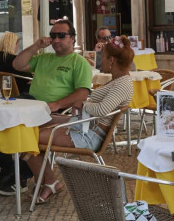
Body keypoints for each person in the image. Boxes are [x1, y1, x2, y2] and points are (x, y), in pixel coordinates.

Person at [25, 35, 135, 203]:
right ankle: (48, 181)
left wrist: (83, 104)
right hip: (86, 125)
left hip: (90, 135)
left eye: (102, 57)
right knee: (34, 123)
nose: (100, 61)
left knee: (27, 138)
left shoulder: (123, 84)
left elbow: (102, 110)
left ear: (111, 60)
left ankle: (49, 182)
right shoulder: (118, 80)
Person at [0, 19, 92, 195]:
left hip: (56, 113)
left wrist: (56, 104)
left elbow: (82, 94)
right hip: (32, 106)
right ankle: (14, 173)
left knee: (18, 129)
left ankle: (22, 177)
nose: (56, 40)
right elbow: (17, 65)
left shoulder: (79, 62)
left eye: (61, 36)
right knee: (2, 122)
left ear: (73, 39)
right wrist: (35, 46)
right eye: (53, 35)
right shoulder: (44, 58)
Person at [0, 32, 30, 96]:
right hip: (22, 92)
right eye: (17, 45)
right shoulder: (14, 60)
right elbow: (27, 78)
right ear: (13, 44)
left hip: (6, 92)